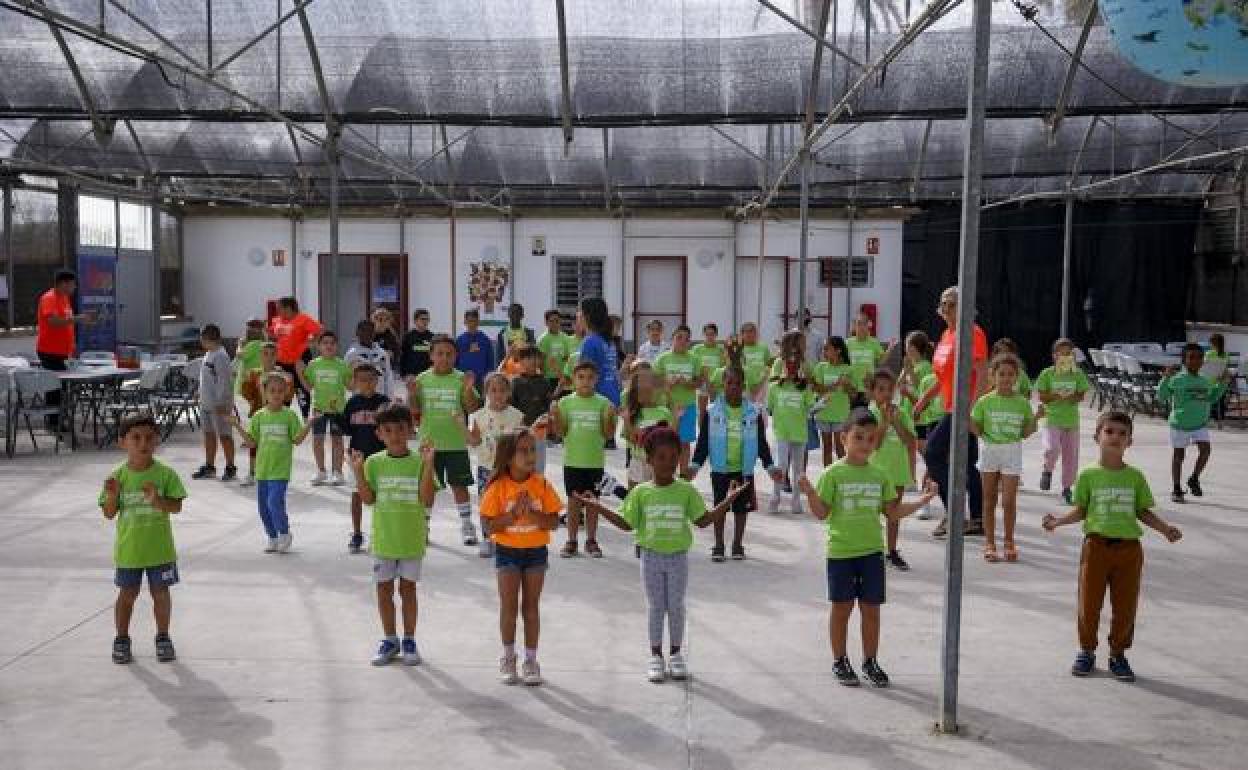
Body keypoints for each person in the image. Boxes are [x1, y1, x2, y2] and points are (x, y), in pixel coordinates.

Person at [577, 427, 745, 682]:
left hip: (678, 558)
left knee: (675, 607)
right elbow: (627, 524)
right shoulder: (641, 492)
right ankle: (655, 656)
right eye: (661, 458)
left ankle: (676, 655)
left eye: (673, 457)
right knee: (656, 607)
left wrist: (729, 500)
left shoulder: (686, 491)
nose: (668, 463)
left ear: (680, 458)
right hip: (651, 558)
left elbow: (704, 520)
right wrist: (598, 507)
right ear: (649, 460)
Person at [797, 411, 937, 688]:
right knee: (842, 608)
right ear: (843, 438)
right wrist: (811, 493)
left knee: (871, 610)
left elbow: (892, 512)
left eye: (870, 439)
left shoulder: (879, 475)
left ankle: (870, 661)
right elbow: (822, 513)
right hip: (841, 553)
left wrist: (922, 501)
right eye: (858, 437)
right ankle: (839, 660)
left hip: (872, 552)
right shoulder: (832, 474)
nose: (864, 443)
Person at [1042, 411, 1183, 682]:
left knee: (1125, 607)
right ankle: (1086, 650)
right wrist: (1058, 522)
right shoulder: (1088, 475)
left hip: (1129, 550)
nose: (1115, 437)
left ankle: (1118, 653)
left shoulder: (1135, 477)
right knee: (1089, 603)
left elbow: (1142, 511)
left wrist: (1165, 529)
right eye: (1109, 432)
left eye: (1122, 433)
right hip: (1095, 547)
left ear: (1130, 441)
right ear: (1097, 436)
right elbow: (1081, 510)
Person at [351, 405, 438, 667]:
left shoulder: (419, 461)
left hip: (411, 539)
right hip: (384, 540)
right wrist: (357, 472)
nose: (396, 435)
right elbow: (368, 500)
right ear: (379, 434)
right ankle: (390, 639)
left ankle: (409, 639)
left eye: (401, 429)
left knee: (408, 589)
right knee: (384, 589)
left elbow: (426, 499)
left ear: (411, 430)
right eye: (388, 430)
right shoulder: (374, 463)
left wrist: (429, 464)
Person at [478, 428, 564, 686]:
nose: (530, 456)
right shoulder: (497, 487)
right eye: (523, 451)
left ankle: (530, 660)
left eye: (532, 450)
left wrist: (535, 516)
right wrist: (514, 514)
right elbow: (488, 527)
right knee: (509, 606)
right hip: (507, 552)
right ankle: (507, 656)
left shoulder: (542, 484)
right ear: (507, 456)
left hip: (536, 552)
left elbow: (553, 522)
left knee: (531, 607)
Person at [100, 415, 188, 664]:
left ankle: (163, 636)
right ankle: (121, 638)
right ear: (122, 443)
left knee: (161, 594)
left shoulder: (166, 474)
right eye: (135, 438)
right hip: (130, 551)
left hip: (160, 551)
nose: (143, 443)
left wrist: (158, 501)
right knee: (127, 595)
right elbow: (109, 514)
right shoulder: (117, 477)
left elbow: (176, 507)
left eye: (149, 437)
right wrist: (112, 496)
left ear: (157, 441)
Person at [912, 286, 989, 538]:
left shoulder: (972, 332)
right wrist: (923, 399)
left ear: (964, 306)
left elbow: (981, 372)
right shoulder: (947, 335)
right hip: (949, 405)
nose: (945, 308)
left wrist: (971, 408)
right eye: (943, 303)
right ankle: (976, 519)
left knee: (933, 453)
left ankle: (954, 514)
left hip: (961, 409)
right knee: (966, 464)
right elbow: (941, 376)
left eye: (952, 304)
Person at [690, 365, 782, 561]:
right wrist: (695, 466)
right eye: (729, 382)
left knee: (741, 508)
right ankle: (719, 544)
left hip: (743, 469)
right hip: (720, 469)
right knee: (719, 507)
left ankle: (738, 544)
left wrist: (770, 467)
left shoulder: (753, 412)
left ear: (743, 386)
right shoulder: (712, 411)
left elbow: (761, 442)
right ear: (723, 384)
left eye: (738, 383)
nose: (733, 387)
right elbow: (703, 441)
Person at [409, 335, 482, 546]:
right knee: (428, 488)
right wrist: (412, 393)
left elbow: (472, 408)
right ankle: (423, 527)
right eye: (439, 353)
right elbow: (415, 410)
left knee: (460, 486)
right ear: (431, 355)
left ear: (456, 356)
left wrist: (468, 390)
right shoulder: (422, 379)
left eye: (449, 354)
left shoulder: (461, 379)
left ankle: (467, 525)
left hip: (456, 444)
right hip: (429, 446)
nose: (444, 358)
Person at [228, 371, 310, 553]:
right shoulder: (259, 416)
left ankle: (284, 533)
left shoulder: (289, 416)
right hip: (262, 470)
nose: (276, 394)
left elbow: (297, 440)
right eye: (272, 390)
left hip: (280, 470)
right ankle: (272, 537)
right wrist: (236, 426)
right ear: (264, 392)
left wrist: (309, 424)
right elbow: (251, 442)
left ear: (286, 393)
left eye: (280, 391)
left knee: (274, 503)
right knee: (263, 508)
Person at [971, 354, 1037, 563]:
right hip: (989, 451)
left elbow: (1026, 432)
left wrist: (1037, 419)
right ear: (993, 376)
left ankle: (1009, 541)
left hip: (1012, 451)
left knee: (1009, 501)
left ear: (1016, 377)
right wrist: (966, 417)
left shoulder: (1022, 403)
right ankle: (989, 543)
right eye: (1002, 374)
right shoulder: (984, 401)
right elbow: (977, 428)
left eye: (1010, 375)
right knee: (989, 500)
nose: (1006, 378)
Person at [552, 361, 617, 558]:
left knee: (592, 503)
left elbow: (607, 435)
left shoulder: (603, 403)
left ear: (596, 380)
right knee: (573, 503)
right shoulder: (565, 403)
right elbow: (560, 432)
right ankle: (571, 540)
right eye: (581, 377)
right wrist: (555, 416)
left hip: (594, 462)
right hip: (573, 462)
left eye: (590, 377)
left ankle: (591, 540)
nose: (585, 381)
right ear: (573, 379)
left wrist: (610, 418)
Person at [1158, 343, 1230, 503]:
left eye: (1199, 358)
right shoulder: (1177, 379)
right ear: (1184, 360)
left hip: (1200, 424)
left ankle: (1194, 478)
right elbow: (1161, 396)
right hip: (1180, 424)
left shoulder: (1205, 380)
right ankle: (1176, 488)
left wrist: (1223, 384)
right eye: (1191, 357)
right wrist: (1165, 378)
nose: (1195, 361)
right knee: (1179, 456)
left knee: (1205, 451)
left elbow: (1212, 398)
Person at [468, 373, 528, 559]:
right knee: (488, 505)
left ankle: (507, 538)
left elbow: (524, 443)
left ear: (509, 392)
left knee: (508, 504)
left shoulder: (517, 416)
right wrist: (461, 426)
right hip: (486, 467)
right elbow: (474, 441)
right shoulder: (479, 416)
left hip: (510, 469)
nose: (498, 394)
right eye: (493, 390)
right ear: (486, 392)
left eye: (502, 390)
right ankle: (487, 538)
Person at [865, 369, 918, 571]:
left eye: (889, 389)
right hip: (876, 472)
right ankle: (871, 550)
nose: (886, 394)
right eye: (881, 390)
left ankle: (892, 551)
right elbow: (874, 445)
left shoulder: (901, 413)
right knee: (872, 513)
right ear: (872, 392)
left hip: (897, 471)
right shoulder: (870, 415)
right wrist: (885, 423)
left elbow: (909, 441)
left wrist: (895, 421)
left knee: (893, 514)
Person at [1035, 337, 1090, 504]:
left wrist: (1074, 397)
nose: (1065, 357)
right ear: (1054, 356)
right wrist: (1054, 396)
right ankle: (1047, 470)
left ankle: (1067, 488)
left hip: (1071, 421)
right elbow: (1042, 396)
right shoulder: (1047, 373)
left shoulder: (1077, 374)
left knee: (1071, 457)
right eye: (1061, 354)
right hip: (1052, 418)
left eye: (1069, 354)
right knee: (1052, 448)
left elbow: (1081, 394)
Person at [35, 270, 93, 426]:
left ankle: (60, 418)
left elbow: (66, 323)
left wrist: (72, 346)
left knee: (64, 388)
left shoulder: (64, 298)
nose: (75, 287)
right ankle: (54, 422)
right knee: (55, 388)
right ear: (63, 283)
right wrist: (79, 319)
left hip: (63, 352)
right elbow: (53, 321)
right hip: (49, 351)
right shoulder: (49, 298)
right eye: (73, 284)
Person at [343, 365, 389, 554]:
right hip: (358, 456)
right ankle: (356, 533)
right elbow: (346, 429)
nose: (367, 383)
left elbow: (391, 426)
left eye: (370, 379)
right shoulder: (352, 403)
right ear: (355, 382)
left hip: (380, 457)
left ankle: (380, 533)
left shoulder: (384, 402)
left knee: (380, 497)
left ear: (377, 381)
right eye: (362, 379)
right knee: (357, 495)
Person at [767, 350, 816, 515]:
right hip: (782, 433)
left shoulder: (804, 388)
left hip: (799, 433)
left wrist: (819, 405)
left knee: (798, 469)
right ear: (783, 368)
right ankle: (775, 498)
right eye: (788, 366)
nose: (791, 369)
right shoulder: (774, 388)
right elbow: (770, 409)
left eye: (794, 366)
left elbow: (810, 408)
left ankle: (796, 501)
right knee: (781, 466)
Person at [301, 331, 352, 486]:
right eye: (325, 343)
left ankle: (337, 472)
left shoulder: (342, 365)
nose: (329, 346)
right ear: (319, 346)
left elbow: (350, 386)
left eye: (332, 343)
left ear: (337, 346)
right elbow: (309, 387)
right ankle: (321, 471)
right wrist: (299, 373)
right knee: (318, 441)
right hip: (319, 409)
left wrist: (356, 373)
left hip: (338, 410)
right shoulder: (313, 364)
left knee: (337, 441)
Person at [903, 331, 941, 520]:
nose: (906, 351)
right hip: (912, 415)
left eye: (909, 347)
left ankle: (926, 495)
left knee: (930, 457)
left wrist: (910, 373)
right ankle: (924, 487)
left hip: (924, 417)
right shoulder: (912, 366)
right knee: (926, 454)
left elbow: (920, 393)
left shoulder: (926, 368)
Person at [192, 324, 238, 482]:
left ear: (208, 338)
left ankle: (230, 466)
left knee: (224, 435)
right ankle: (210, 466)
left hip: (218, 404)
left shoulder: (221, 356)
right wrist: (199, 392)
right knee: (208, 434)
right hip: (206, 402)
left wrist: (220, 403)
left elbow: (224, 382)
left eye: (202, 338)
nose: (200, 341)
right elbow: (206, 378)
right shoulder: (209, 354)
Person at [654, 325, 700, 472]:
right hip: (667, 407)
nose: (682, 341)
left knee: (684, 443)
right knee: (666, 442)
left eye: (686, 339)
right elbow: (654, 382)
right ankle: (666, 472)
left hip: (688, 406)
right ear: (672, 339)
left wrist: (687, 383)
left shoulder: (694, 359)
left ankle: (684, 474)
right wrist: (668, 383)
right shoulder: (662, 358)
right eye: (679, 337)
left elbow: (698, 382)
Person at [620, 366, 674, 489]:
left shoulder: (664, 412)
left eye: (651, 389)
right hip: (638, 462)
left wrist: (675, 412)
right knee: (635, 496)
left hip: (659, 463)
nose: (648, 393)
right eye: (643, 390)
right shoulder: (633, 413)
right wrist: (627, 420)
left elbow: (672, 436)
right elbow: (631, 439)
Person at [269, 296, 321, 417]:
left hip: (299, 360)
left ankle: (305, 417)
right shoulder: (277, 320)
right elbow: (272, 334)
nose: (277, 311)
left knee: (301, 388)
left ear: (288, 308)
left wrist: (308, 343)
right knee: (281, 387)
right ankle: (280, 414)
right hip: (281, 361)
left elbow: (319, 332)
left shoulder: (303, 319)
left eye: (279, 308)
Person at [812, 336, 859, 466]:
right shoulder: (821, 367)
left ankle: (843, 476)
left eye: (827, 348)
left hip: (841, 414)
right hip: (823, 413)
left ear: (838, 350)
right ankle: (828, 476)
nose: (824, 351)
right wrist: (835, 385)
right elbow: (817, 389)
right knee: (826, 448)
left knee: (840, 447)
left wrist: (847, 385)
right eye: (824, 349)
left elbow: (854, 395)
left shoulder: (848, 369)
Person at [510, 347, 556, 467]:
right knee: (520, 464)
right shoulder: (515, 382)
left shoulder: (544, 382)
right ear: (521, 361)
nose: (533, 361)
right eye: (529, 358)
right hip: (520, 431)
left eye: (536, 357)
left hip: (539, 431)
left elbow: (548, 405)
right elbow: (511, 407)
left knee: (538, 465)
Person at [576, 297, 622, 406]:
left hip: (597, 400)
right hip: (613, 396)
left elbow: (584, 377)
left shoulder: (590, 342)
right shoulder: (608, 341)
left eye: (579, 312)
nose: (577, 316)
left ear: (587, 316)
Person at [345, 319, 395, 398]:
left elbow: (388, 376)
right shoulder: (351, 354)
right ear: (357, 333)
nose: (367, 333)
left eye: (370, 330)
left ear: (374, 333)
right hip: (360, 397)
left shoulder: (382, 353)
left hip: (380, 397)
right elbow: (346, 378)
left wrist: (389, 397)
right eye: (363, 330)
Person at [845, 312, 885, 406]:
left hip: (868, 388)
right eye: (859, 323)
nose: (861, 327)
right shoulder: (847, 343)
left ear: (868, 326)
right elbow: (843, 364)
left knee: (867, 417)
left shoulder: (874, 342)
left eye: (864, 324)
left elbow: (881, 362)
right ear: (855, 326)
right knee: (852, 417)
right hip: (852, 388)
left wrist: (890, 350)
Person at [455, 308, 494, 386]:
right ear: (465, 322)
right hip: (463, 378)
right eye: (469, 321)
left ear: (478, 322)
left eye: (474, 321)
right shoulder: (459, 340)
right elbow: (455, 360)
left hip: (481, 380)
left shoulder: (485, 339)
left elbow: (490, 361)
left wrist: (488, 377)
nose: (472, 324)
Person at [537, 309, 573, 390]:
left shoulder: (565, 337)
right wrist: (542, 378)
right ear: (546, 323)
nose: (554, 324)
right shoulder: (543, 339)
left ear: (560, 321)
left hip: (563, 377)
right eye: (551, 321)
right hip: (549, 378)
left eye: (557, 321)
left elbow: (567, 357)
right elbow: (540, 361)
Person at [738, 322, 772, 402]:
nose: (749, 334)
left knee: (761, 410)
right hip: (745, 385)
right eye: (746, 332)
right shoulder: (739, 349)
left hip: (762, 384)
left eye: (751, 332)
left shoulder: (763, 347)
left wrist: (762, 381)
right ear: (742, 335)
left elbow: (769, 365)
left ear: (756, 334)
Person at [691, 323, 728, 395]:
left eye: (712, 334)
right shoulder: (696, 349)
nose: (709, 337)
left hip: (717, 384)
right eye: (707, 334)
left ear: (716, 335)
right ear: (703, 335)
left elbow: (724, 367)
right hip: (702, 384)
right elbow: (693, 366)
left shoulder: (721, 349)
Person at [398, 308, 434, 381]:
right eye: (422, 319)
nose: (425, 321)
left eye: (427, 319)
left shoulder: (432, 337)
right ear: (415, 320)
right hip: (412, 375)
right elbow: (402, 356)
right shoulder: (407, 336)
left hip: (428, 374)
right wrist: (403, 374)